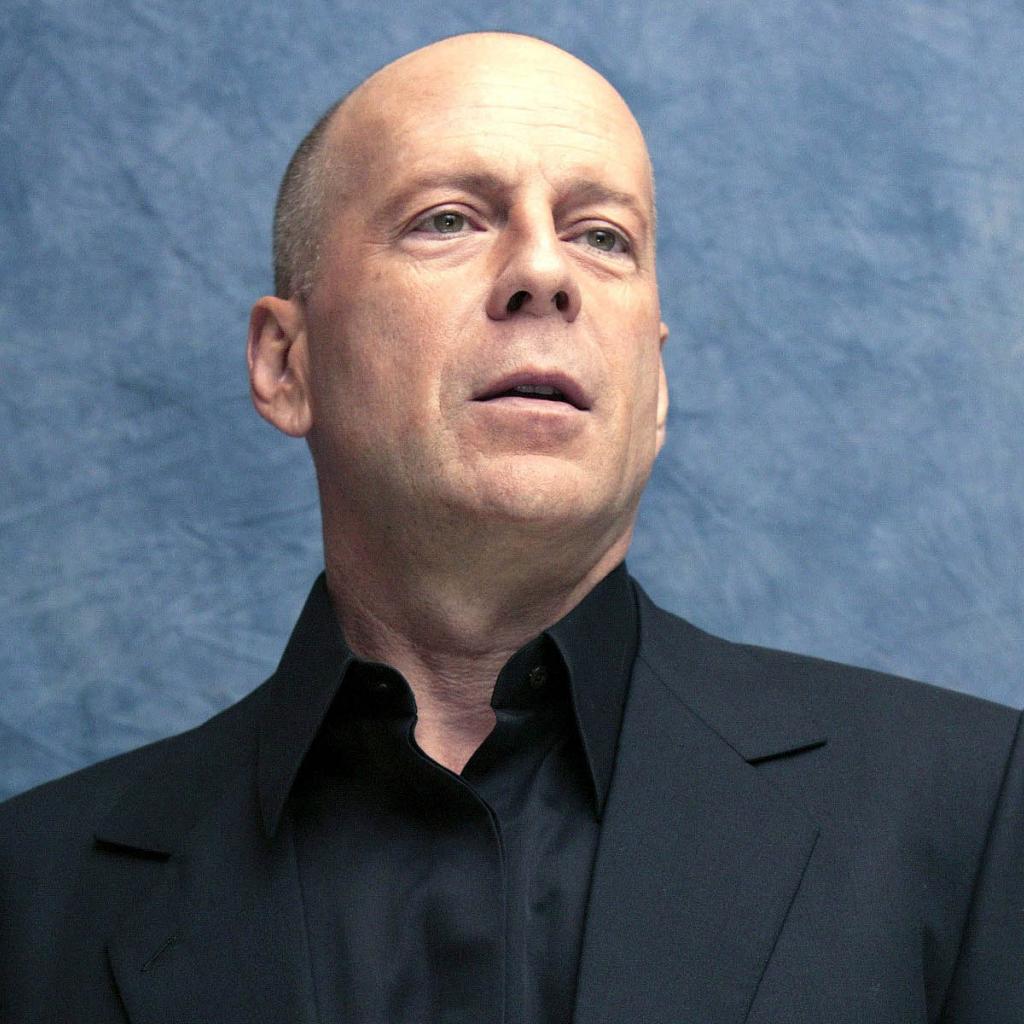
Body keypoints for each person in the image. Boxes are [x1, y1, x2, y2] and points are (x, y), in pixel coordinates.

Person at [1, 30, 1021, 1024]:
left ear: (656, 384)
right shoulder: (29, 894)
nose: (545, 270)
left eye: (602, 236)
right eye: (447, 219)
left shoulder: (974, 814)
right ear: (285, 363)